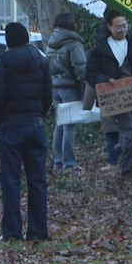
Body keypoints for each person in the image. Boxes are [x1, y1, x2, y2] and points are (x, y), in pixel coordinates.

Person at [0, 21, 52, 240]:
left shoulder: (5, 63)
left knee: (11, 181)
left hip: (10, 127)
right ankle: (38, 231)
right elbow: (47, 95)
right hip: (35, 124)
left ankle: (12, 232)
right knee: (37, 181)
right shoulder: (41, 61)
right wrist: (39, 113)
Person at [85, 10, 132, 181]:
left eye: (125, 26)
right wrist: (105, 79)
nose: (122, 30)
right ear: (109, 26)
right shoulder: (99, 49)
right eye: (118, 27)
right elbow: (90, 74)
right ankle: (126, 171)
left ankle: (123, 148)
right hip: (114, 97)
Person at [44, 12, 88, 171]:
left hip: (55, 87)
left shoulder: (51, 42)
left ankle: (57, 162)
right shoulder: (74, 43)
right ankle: (69, 163)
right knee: (69, 125)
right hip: (70, 88)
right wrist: (85, 90)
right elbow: (81, 69)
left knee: (60, 124)